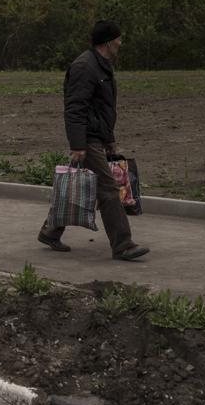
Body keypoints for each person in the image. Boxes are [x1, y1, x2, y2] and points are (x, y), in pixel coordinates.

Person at [38, 20, 150, 261]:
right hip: (87, 138)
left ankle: (50, 230)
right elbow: (75, 108)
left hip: (96, 136)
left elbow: (102, 108)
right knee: (108, 189)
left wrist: (110, 140)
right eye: (119, 39)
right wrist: (78, 144)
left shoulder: (101, 66)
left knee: (78, 186)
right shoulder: (84, 67)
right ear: (109, 42)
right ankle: (123, 245)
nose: (121, 43)